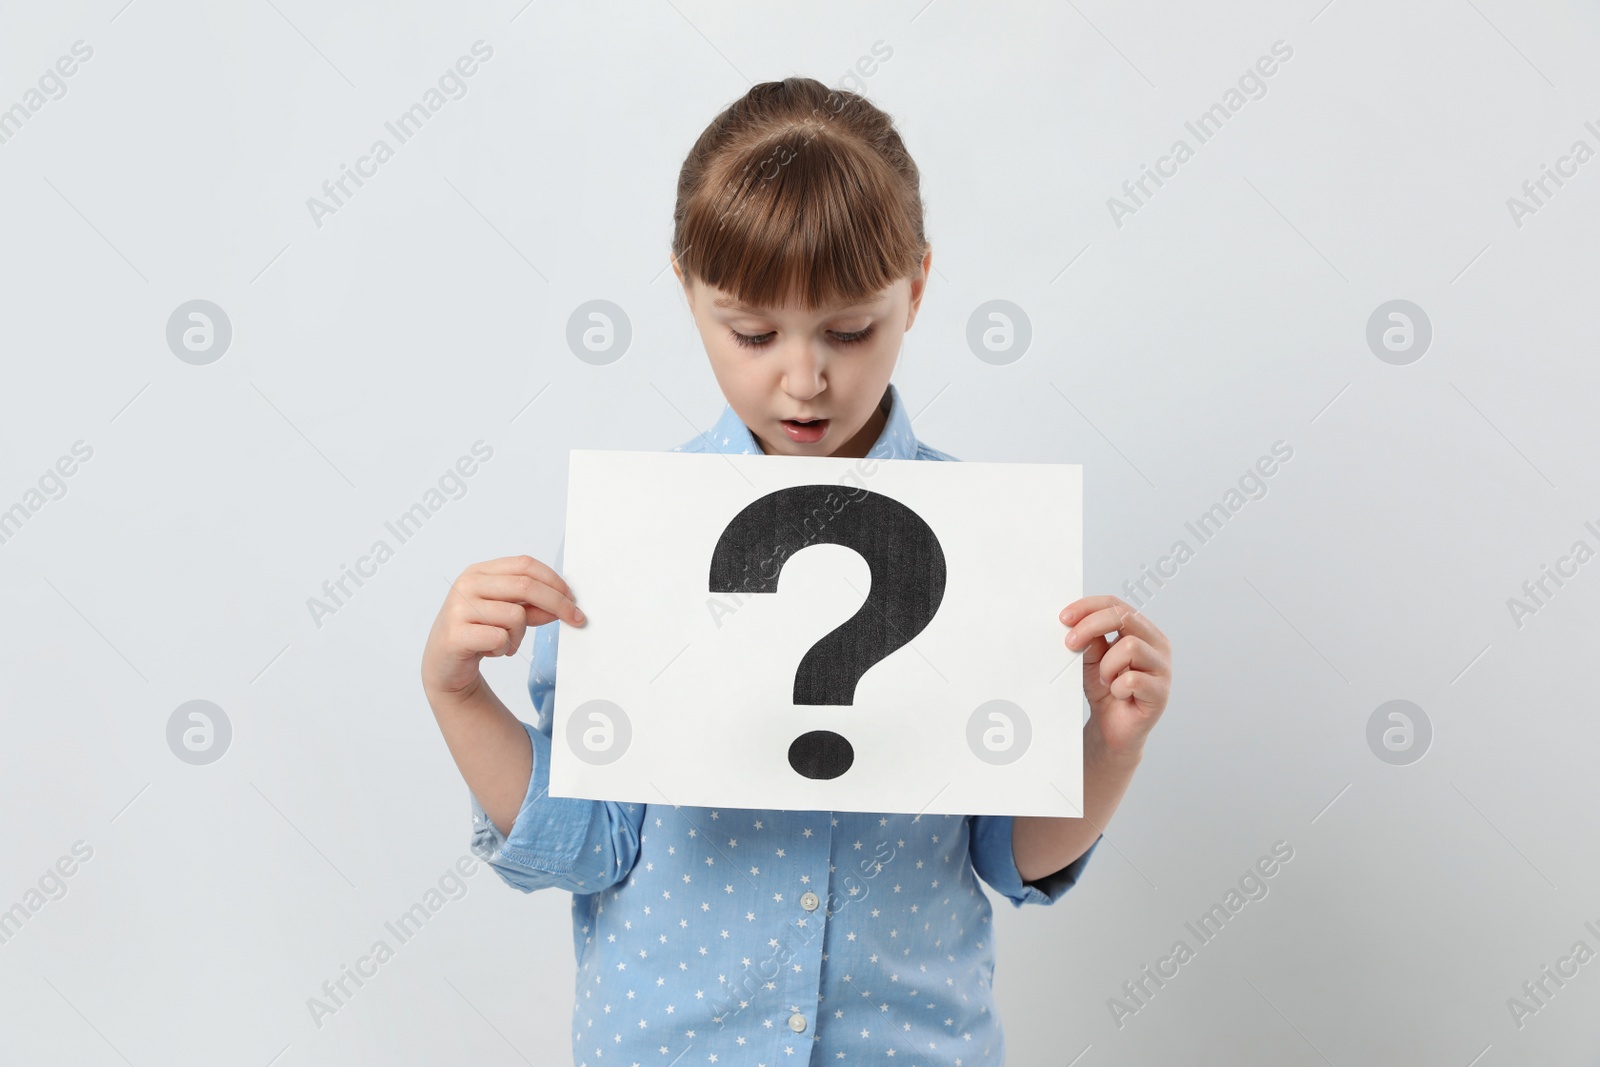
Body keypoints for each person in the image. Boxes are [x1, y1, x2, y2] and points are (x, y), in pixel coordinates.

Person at [421, 76, 1173, 1064]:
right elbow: (586, 840)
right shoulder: (636, 534)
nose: (805, 376)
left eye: (848, 329)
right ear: (687, 289)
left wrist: (1109, 745)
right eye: (752, 331)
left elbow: (1006, 852)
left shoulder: (988, 543)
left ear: (916, 286)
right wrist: (457, 688)